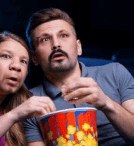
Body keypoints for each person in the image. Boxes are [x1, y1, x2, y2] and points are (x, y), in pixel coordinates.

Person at [24, 8, 134, 146]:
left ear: (79, 47)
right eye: (45, 39)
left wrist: (106, 103)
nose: (56, 44)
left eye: (63, 35)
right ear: (34, 58)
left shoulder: (115, 72)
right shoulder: (29, 101)